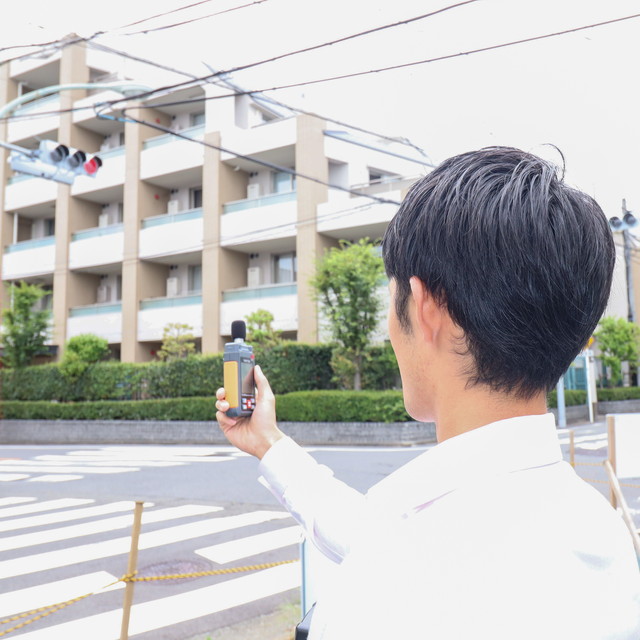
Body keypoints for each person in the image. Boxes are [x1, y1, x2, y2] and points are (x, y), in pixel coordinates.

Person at [216, 147, 640, 639]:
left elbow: (391, 551)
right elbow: (375, 532)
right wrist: (268, 444)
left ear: (425, 307)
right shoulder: (599, 529)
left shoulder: (389, 591)